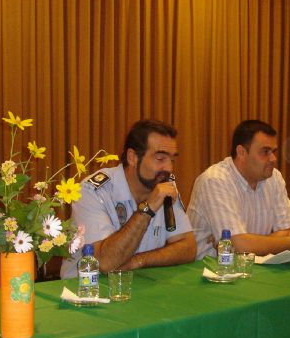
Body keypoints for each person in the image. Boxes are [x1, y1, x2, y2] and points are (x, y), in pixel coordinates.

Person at [60, 119, 196, 278]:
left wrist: (138, 261)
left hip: (135, 288)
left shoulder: (164, 183)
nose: (169, 168)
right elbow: (104, 263)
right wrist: (148, 208)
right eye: (160, 159)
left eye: (172, 160)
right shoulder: (93, 191)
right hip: (87, 293)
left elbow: (188, 247)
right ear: (132, 157)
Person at [187, 119, 290, 260]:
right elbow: (238, 246)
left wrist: (248, 242)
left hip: (252, 267)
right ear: (241, 152)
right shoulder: (215, 180)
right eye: (265, 152)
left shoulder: (274, 177)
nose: (273, 158)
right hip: (210, 270)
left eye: (274, 151)